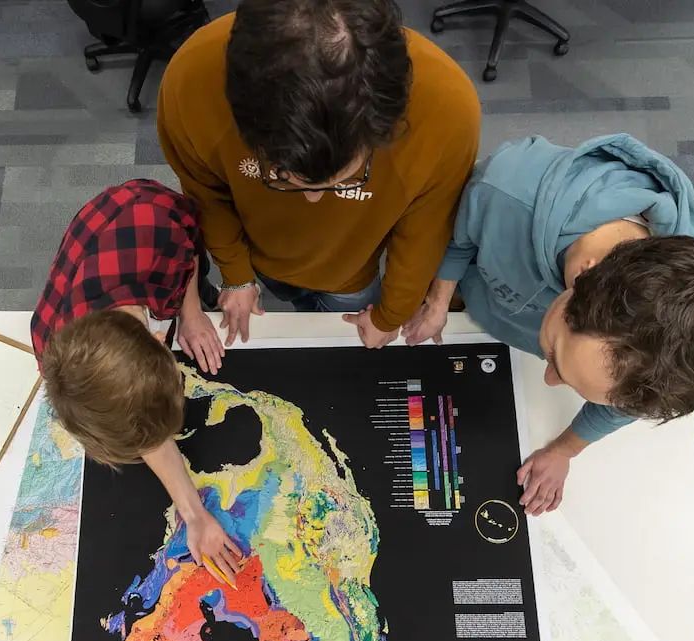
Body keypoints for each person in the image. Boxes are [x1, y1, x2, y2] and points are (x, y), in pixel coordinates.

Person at [402, 134, 694, 516]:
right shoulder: (506, 190)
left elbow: (626, 402)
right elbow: (459, 236)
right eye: (553, 354)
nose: (549, 379)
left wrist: (564, 449)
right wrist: (439, 300)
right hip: (471, 285)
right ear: (583, 277)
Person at [156, 0, 480, 349]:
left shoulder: (449, 111)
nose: (312, 200)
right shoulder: (188, 85)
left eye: (342, 180)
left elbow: (425, 230)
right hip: (262, 256)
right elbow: (205, 194)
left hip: (351, 276)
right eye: (284, 177)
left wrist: (392, 313)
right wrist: (235, 275)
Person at [32, 179, 241, 584]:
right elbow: (136, 422)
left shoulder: (157, 233)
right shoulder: (51, 351)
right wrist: (193, 514)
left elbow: (188, 255)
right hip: (114, 255)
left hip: (146, 222)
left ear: (160, 340)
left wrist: (192, 312)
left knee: (194, 274)